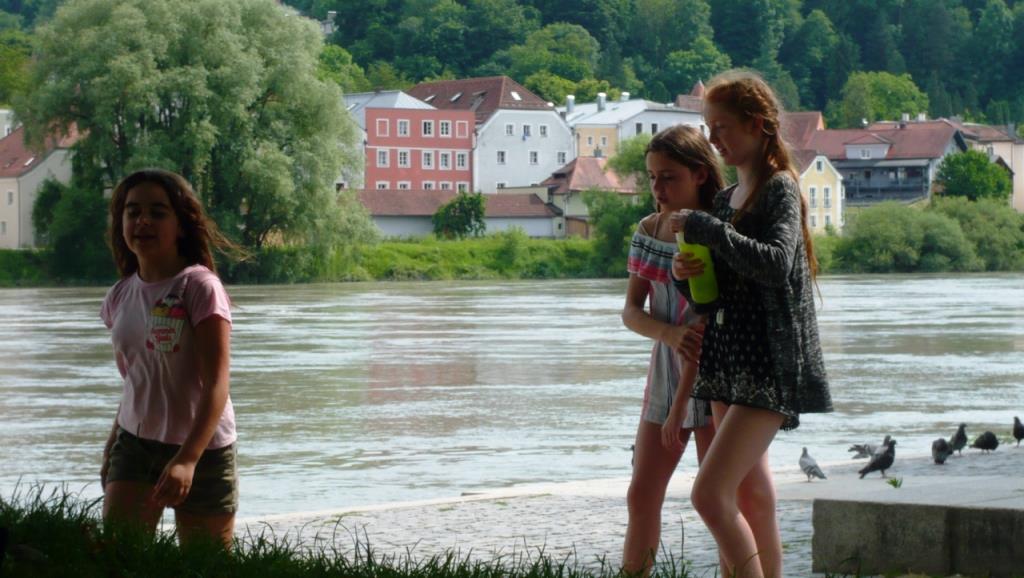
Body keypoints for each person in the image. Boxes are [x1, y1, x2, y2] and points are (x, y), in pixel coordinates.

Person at [670, 70, 833, 578]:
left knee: (709, 495)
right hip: (727, 360)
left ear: (757, 124)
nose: (713, 138)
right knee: (745, 494)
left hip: (766, 362)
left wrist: (708, 230)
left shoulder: (779, 187)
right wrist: (684, 276)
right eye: (708, 127)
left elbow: (776, 264)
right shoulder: (725, 199)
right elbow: (716, 294)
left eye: (720, 127)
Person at [99, 168, 240, 548]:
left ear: (180, 225)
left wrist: (188, 459)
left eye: (157, 212)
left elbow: (217, 383)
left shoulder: (199, 287)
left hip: (204, 447)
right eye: (132, 211)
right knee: (120, 554)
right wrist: (113, 443)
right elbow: (136, 380)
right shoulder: (119, 296)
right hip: (134, 443)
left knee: (205, 565)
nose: (143, 221)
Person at [621, 125, 724, 576]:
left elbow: (703, 326)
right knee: (642, 494)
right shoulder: (649, 229)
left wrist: (682, 402)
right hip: (666, 368)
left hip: (715, 373)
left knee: (720, 501)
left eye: (669, 177)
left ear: (699, 174)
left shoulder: (716, 228)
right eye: (652, 177)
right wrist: (666, 334)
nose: (658, 189)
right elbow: (630, 311)